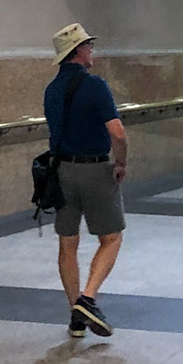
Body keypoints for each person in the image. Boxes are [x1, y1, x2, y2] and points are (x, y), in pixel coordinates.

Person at [44, 23, 127, 340]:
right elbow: (117, 132)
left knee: (68, 243)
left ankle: (75, 319)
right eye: (88, 46)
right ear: (77, 52)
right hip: (94, 170)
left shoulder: (51, 89)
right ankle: (88, 298)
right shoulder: (95, 86)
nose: (91, 50)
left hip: (62, 171)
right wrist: (121, 162)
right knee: (112, 237)